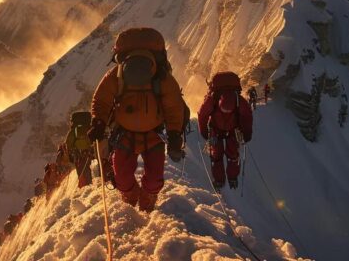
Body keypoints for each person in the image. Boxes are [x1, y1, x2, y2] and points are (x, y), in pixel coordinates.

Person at [89, 27, 187, 213]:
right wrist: (174, 133)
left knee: (122, 176)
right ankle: (146, 205)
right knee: (154, 177)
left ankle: (130, 199)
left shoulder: (116, 76)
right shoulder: (162, 76)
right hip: (155, 134)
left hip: (124, 134)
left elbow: (101, 100)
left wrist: (99, 121)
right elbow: (174, 107)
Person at [198, 72, 253, 189]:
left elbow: (202, 114)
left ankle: (219, 181)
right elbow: (247, 116)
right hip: (233, 130)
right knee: (233, 156)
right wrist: (246, 134)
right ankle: (232, 178)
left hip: (215, 130)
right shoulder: (239, 100)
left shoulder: (212, 99)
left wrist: (204, 131)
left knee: (216, 156)